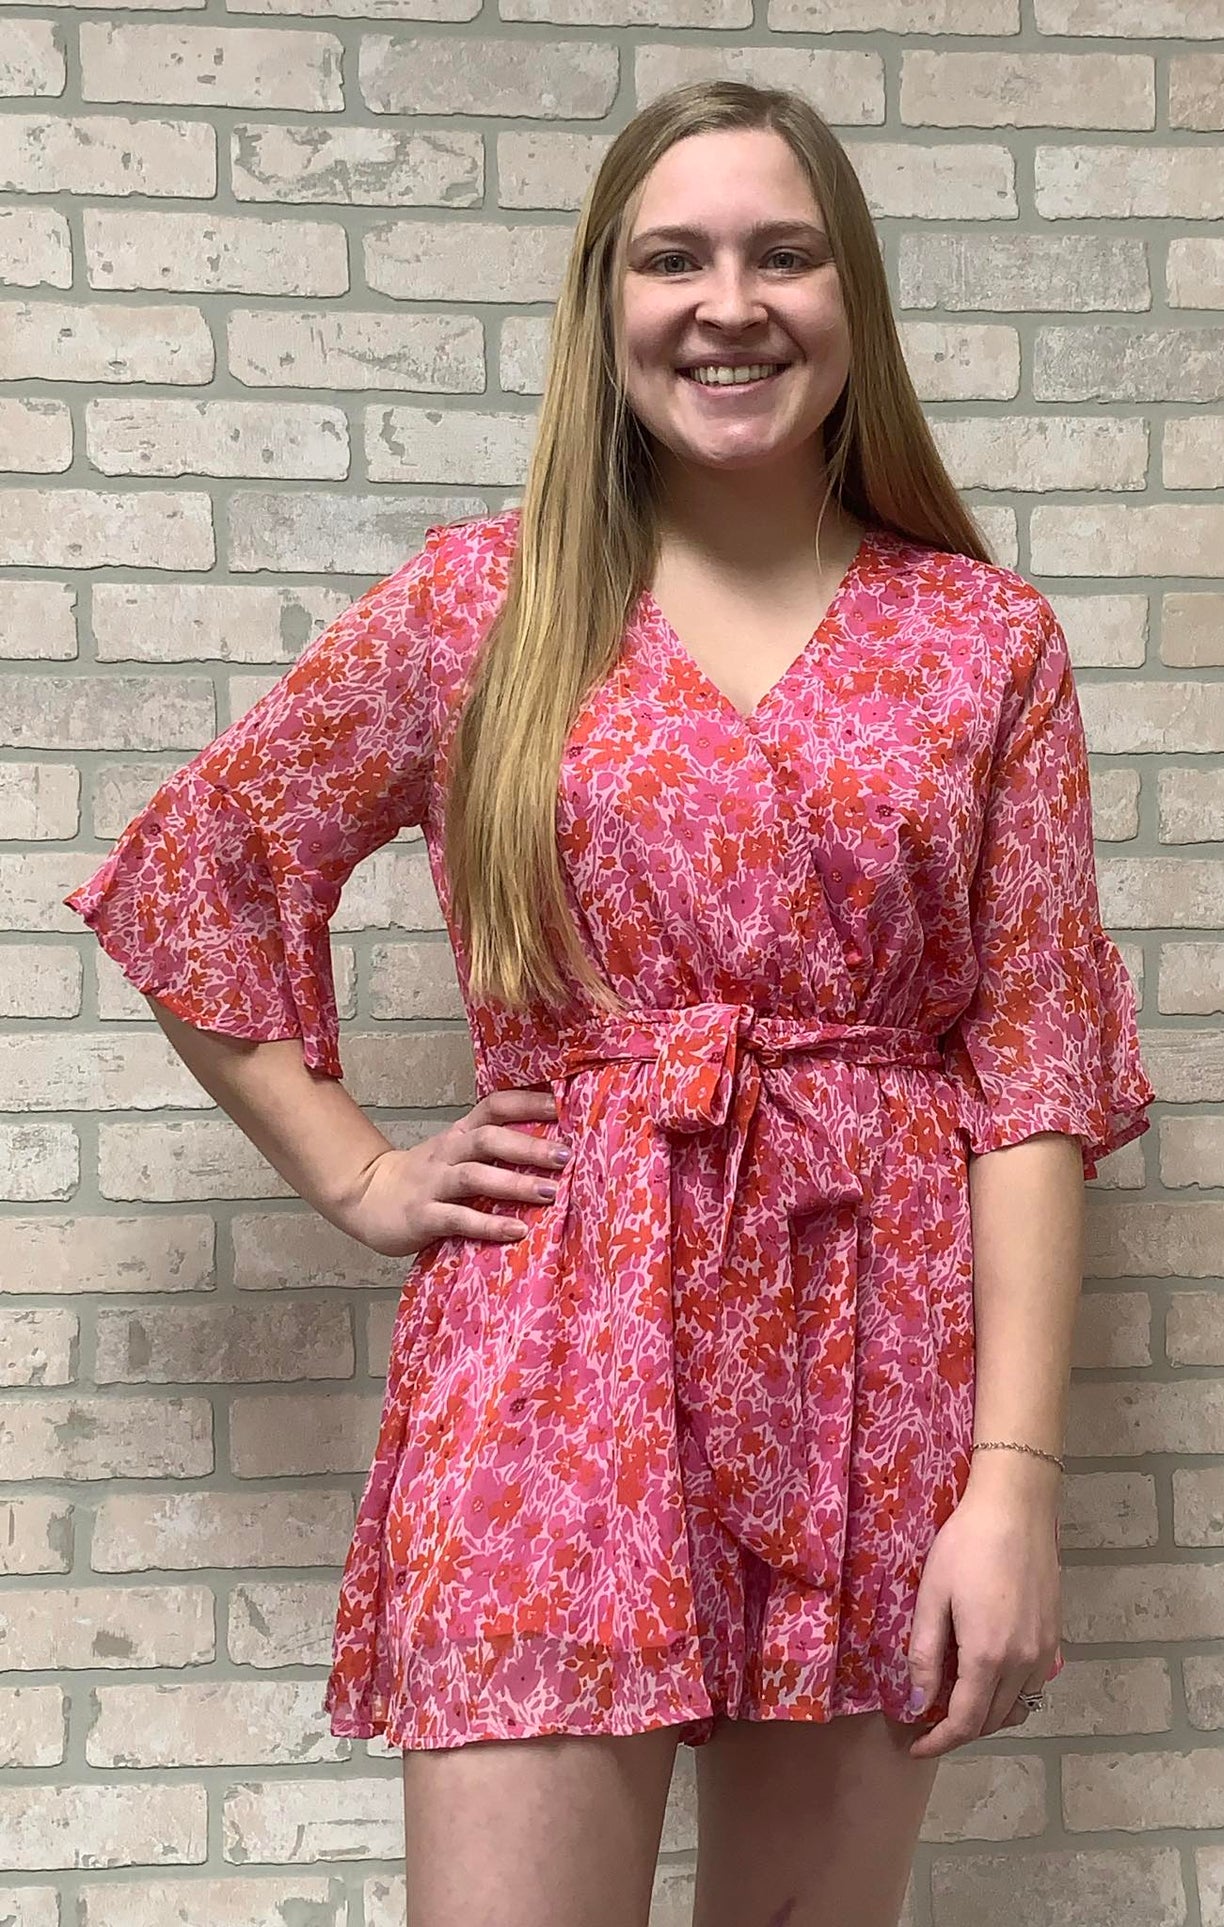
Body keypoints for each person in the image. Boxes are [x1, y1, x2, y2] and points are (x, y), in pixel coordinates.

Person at [63, 78, 1155, 1927]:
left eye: (781, 253)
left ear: (849, 297)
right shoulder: (477, 608)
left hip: (868, 1354)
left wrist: (1012, 1488)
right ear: (605, 303)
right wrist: (355, 1173)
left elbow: (1032, 1074)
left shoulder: (986, 639)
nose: (728, 302)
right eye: (673, 258)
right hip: (552, 1346)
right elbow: (203, 869)